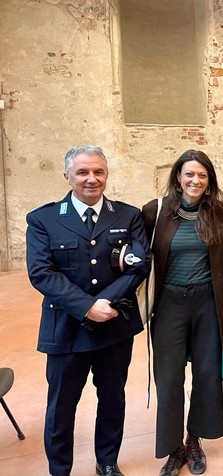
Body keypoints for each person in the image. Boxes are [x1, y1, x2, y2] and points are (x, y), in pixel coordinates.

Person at [26, 145, 151, 476]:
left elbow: (140, 265)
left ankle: (107, 462)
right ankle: (60, 469)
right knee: (62, 407)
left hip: (114, 325)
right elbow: (41, 272)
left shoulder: (127, 215)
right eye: (82, 172)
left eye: (98, 172)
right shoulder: (44, 219)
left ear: (106, 175)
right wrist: (86, 307)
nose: (91, 179)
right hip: (66, 328)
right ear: (67, 176)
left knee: (112, 400)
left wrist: (104, 304)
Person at [142, 150, 223, 476]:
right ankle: (173, 449)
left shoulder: (221, 213)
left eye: (202, 176)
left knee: (208, 374)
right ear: (178, 177)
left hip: (208, 304)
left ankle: (194, 440)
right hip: (169, 306)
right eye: (189, 174)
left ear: (209, 181)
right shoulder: (155, 212)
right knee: (169, 379)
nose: (195, 181)